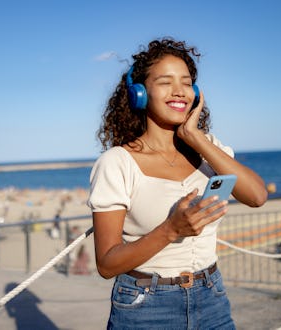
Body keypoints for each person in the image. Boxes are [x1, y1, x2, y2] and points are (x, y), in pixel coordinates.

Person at [88, 37, 267, 329]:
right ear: (139, 94)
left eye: (186, 82)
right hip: (145, 306)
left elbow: (257, 196)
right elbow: (107, 264)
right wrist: (171, 229)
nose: (179, 91)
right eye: (165, 81)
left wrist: (194, 136)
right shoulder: (117, 162)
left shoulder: (208, 148)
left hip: (212, 298)